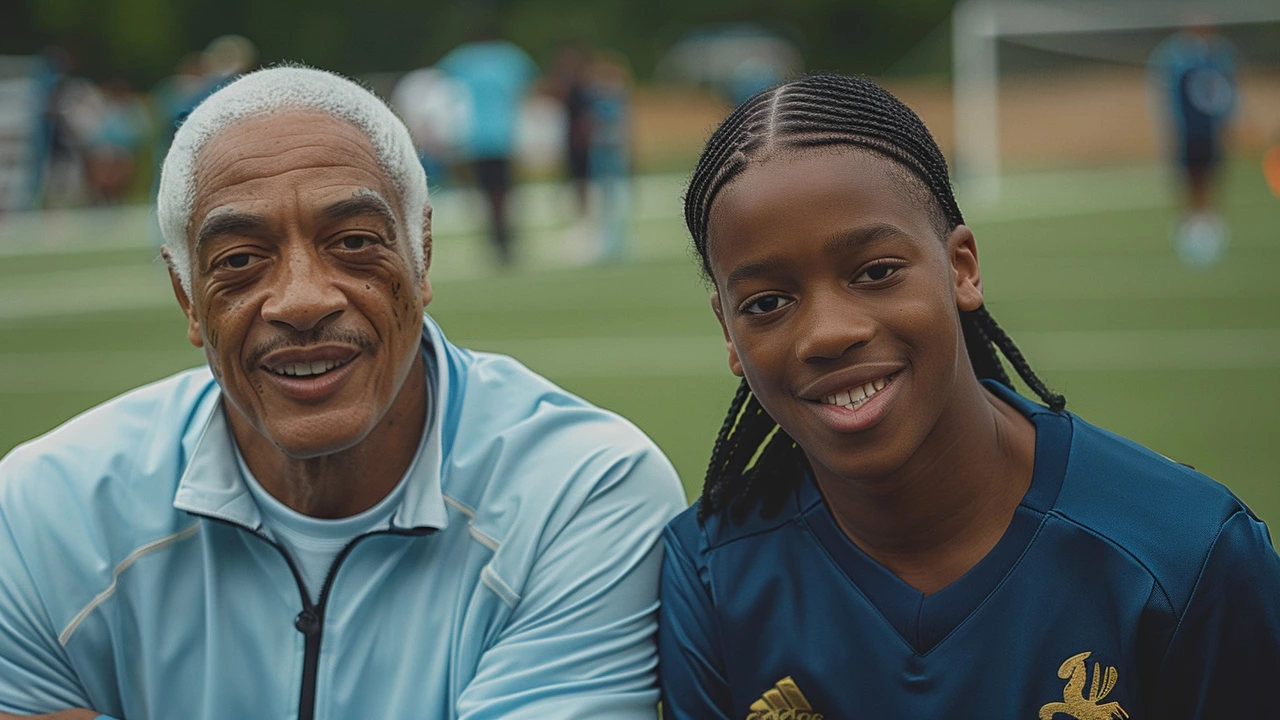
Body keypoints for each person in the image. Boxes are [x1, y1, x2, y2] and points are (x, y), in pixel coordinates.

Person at [0, 66, 685, 720]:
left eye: (354, 242)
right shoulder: (46, 514)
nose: (301, 301)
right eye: (239, 260)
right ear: (186, 296)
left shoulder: (579, 490)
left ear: (421, 258)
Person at [658, 74, 1280, 719]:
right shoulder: (709, 573)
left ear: (962, 268)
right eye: (767, 303)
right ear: (729, 332)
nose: (828, 334)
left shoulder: (1186, 554)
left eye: (876, 272)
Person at [438, 29, 538, 266]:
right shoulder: (510, 57)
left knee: (488, 194)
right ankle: (504, 239)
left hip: (477, 139)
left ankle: (497, 239)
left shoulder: (462, 59)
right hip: (503, 137)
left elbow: (441, 86)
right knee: (503, 193)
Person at [1148, 24, 1239, 267]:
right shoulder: (1177, 59)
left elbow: (1227, 92)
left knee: (1210, 178)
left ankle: (1209, 228)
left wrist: (1230, 121)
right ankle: (1189, 229)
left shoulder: (1217, 56)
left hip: (1209, 131)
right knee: (1189, 180)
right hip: (1188, 132)